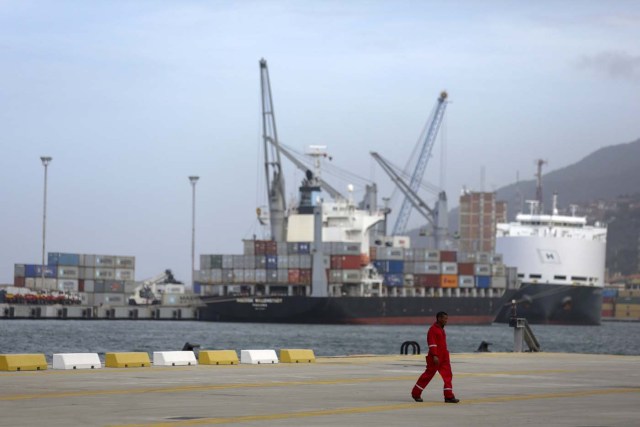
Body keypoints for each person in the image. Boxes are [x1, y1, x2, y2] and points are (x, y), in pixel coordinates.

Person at [411, 311, 460, 403]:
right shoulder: (433, 330)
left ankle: (448, 396)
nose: (446, 321)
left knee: (448, 375)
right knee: (427, 376)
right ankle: (416, 393)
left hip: (444, 357)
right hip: (435, 357)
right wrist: (434, 355)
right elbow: (432, 343)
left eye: (447, 319)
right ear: (439, 318)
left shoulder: (441, 329)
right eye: (444, 319)